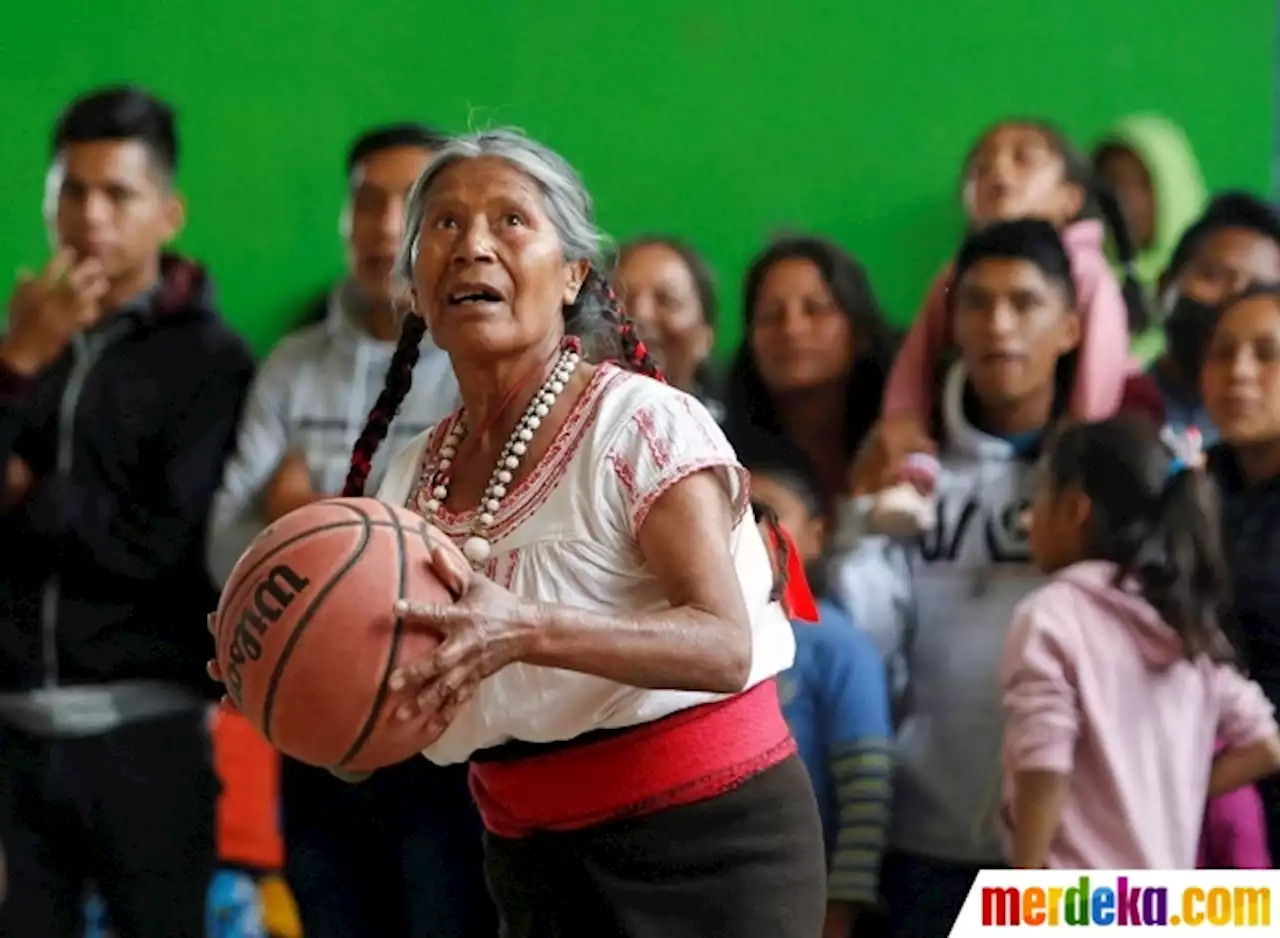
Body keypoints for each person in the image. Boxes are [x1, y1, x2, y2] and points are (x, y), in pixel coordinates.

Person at [230, 127, 827, 937]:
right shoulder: (408, 477)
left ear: (573, 273)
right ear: (414, 289)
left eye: (510, 220)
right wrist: (281, 680)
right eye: (443, 224)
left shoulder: (643, 424)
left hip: (713, 848)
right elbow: (373, 739)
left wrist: (527, 628)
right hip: (532, 861)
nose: (473, 244)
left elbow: (723, 646)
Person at [205, 124, 492, 937]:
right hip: (311, 717)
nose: (379, 225)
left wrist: (301, 518)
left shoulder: (479, 361)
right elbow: (224, 549)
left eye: (407, 204)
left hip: (443, 734)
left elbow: (481, 545)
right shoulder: (290, 366)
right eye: (364, 202)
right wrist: (380, 540)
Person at [0, 86, 254, 937]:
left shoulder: (210, 363)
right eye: (70, 191)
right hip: (13, 737)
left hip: (147, 738)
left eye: (118, 194)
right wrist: (18, 363)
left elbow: (166, 546)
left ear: (168, 212)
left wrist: (31, 497)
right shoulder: (22, 341)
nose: (90, 216)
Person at [830, 219, 1124, 935]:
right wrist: (863, 519)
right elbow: (865, 637)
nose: (999, 325)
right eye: (978, 303)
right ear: (953, 323)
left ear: (1070, 328)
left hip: (1065, 845)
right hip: (922, 837)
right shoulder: (911, 466)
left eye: (1025, 303)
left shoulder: (1108, 477)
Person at [1002, 415, 1280, 869]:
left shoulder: (1051, 615)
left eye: (1039, 496)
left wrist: (1025, 882)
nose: (1029, 517)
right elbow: (1266, 746)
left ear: (1076, 509)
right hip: (1157, 900)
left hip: (1074, 901)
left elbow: (1045, 765)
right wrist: (1176, 788)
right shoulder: (1183, 622)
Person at [877, 120, 1144, 479]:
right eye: (982, 167)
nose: (998, 172)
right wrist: (903, 420)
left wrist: (1078, 450)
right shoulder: (954, 274)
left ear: (1070, 198)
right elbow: (918, 356)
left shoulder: (1085, 268)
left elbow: (1101, 362)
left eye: (1023, 159)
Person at [740, 433, 893, 938]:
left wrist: (842, 903)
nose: (746, 531)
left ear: (818, 534)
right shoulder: (710, 640)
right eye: (734, 517)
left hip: (809, 897)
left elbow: (867, 789)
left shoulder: (835, 645)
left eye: (766, 514)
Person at [722, 235, 897, 508]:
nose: (792, 329)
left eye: (815, 310)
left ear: (860, 333)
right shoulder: (724, 458)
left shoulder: (898, 433)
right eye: (771, 315)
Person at [1202, 283, 1280, 864]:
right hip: (1198, 817)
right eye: (1222, 353)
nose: (1240, 372)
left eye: (1266, 353)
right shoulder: (1189, 490)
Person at [1147, 193, 1280, 443]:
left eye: (1259, 289)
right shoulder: (1108, 404)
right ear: (1165, 286)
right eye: (1215, 276)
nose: (1235, 301)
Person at [1092, 114, 1207, 365]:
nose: (1126, 198)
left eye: (1143, 183)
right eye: (1112, 181)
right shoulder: (1081, 286)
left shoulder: (1208, 289)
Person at [612, 235, 724, 419]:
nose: (641, 314)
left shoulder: (728, 442)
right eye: (622, 298)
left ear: (705, 337)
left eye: (666, 301)